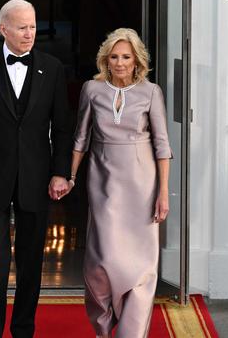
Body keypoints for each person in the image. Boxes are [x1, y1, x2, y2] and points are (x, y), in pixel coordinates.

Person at [0, 0, 73, 338]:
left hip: (36, 179)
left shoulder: (52, 68)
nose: (30, 33)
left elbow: (63, 127)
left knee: (31, 262)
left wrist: (61, 172)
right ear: (3, 28)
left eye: (33, 26)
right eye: (22, 27)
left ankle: (23, 331)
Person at [68, 28, 172, 338]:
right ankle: (103, 324)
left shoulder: (151, 92)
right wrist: (70, 176)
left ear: (137, 60)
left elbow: (162, 146)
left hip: (142, 184)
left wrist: (163, 192)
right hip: (103, 182)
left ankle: (131, 333)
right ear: (105, 60)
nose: (120, 62)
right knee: (102, 262)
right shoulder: (91, 89)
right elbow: (81, 139)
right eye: (114, 57)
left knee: (141, 266)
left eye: (126, 56)